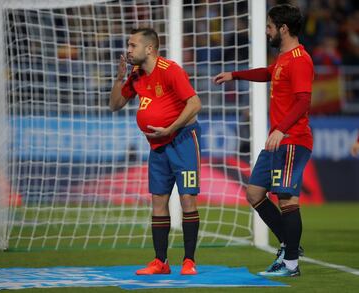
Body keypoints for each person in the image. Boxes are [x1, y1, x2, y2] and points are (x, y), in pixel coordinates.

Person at [213, 4, 313, 277]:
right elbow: (268, 74)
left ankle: (290, 264)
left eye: (269, 27)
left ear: (283, 29)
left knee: (287, 199)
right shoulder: (283, 58)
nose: (266, 31)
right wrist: (236, 75)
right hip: (278, 141)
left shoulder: (300, 59)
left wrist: (280, 128)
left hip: (292, 139)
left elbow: (304, 100)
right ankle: (289, 245)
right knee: (255, 194)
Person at [109, 28, 202, 275]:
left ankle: (189, 261)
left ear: (149, 48)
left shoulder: (170, 70)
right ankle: (160, 261)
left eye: (132, 45)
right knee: (158, 201)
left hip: (182, 141)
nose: (128, 50)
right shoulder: (136, 74)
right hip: (157, 145)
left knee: (187, 199)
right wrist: (119, 79)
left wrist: (170, 128)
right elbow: (115, 105)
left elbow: (195, 104)